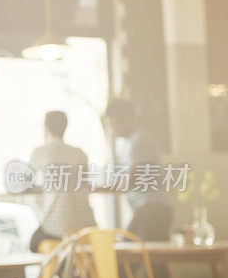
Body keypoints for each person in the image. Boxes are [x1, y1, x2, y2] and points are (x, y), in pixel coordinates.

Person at [103, 100, 173, 240]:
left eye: (113, 125)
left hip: (153, 210)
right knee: (140, 256)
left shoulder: (140, 141)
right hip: (147, 210)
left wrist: (97, 188)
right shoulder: (129, 143)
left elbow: (132, 179)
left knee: (142, 257)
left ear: (128, 119)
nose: (112, 129)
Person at [28, 111, 96, 252]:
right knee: (70, 248)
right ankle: (71, 268)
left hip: (56, 226)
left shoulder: (41, 152)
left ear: (46, 128)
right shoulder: (80, 154)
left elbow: (25, 181)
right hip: (85, 225)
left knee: (34, 244)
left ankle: (64, 268)